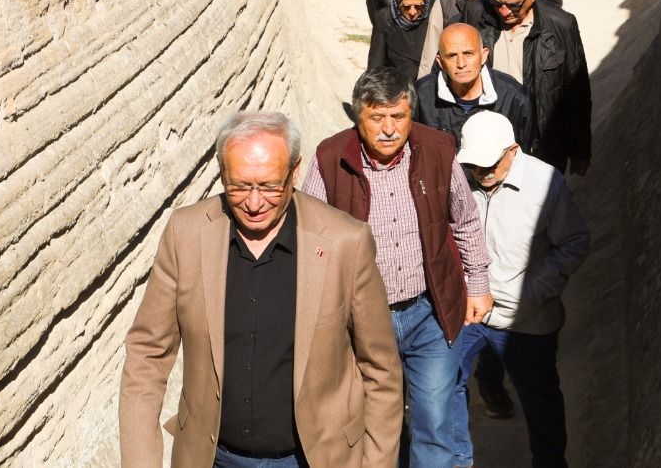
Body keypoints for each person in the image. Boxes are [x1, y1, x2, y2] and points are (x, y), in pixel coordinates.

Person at [120, 111, 403, 468]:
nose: (254, 204)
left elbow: (380, 371)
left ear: (295, 172)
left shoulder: (345, 243)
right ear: (222, 172)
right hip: (212, 459)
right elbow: (146, 355)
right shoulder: (186, 234)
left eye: (269, 186)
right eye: (238, 186)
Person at [302, 69, 494, 468]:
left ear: (411, 114)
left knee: (434, 419)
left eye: (399, 117)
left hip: (431, 312)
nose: (389, 129)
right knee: (374, 422)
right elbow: (309, 239)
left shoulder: (438, 151)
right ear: (359, 118)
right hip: (364, 319)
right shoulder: (330, 160)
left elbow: (465, 220)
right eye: (377, 118)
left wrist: (477, 284)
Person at [449, 112, 590, 468]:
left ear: (513, 150)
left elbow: (573, 242)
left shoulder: (546, 184)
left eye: (489, 164)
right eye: (474, 166)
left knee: (540, 404)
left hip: (526, 321)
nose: (481, 173)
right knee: (444, 389)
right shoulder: (461, 178)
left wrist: (531, 293)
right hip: (469, 314)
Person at [469, 0, 590, 175]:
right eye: (497, 3)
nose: (504, 11)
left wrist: (580, 150)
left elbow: (577, 92)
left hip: (543, 146)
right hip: (487, 143)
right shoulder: (475, 14)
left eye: (513, 5)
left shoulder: (561, 26)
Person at [414, 23, 536, 151]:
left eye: (468, 54)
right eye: (452, 56)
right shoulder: (421, 95)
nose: (461, 64)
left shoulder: (514, 97)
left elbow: (527, 154)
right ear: (440, 62)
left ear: (483, 56)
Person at [369, 0, 446, 83]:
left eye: (419, 6)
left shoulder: (434, 18)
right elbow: (376, 64)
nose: (413, 12)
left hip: (428, 85)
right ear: (397, 3)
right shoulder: (384, 20)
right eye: (406, 7)